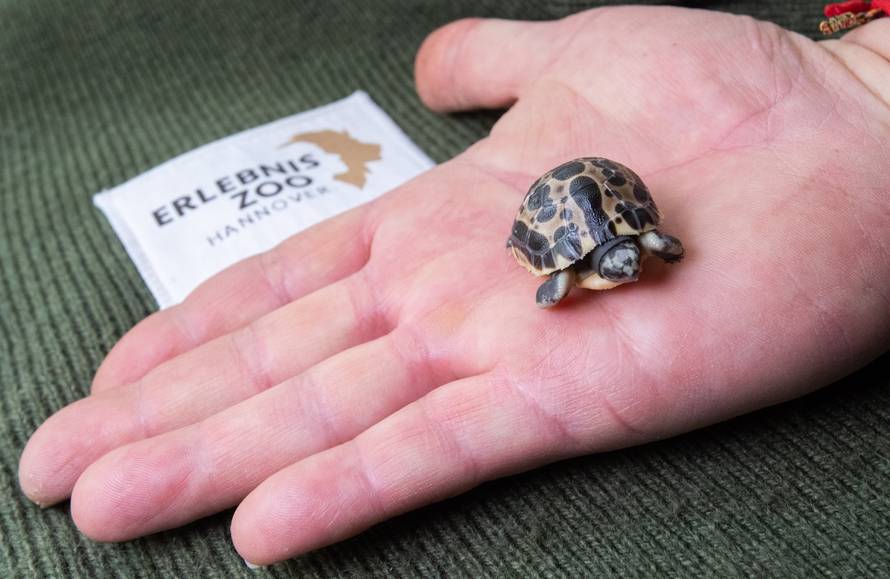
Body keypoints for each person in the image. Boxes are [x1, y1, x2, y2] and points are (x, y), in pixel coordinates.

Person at [17, 5, 890, 567]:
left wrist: (865, 94)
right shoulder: (575, 271)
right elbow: (568, 258)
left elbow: (647, 238)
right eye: (617, 263)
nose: (626, 269)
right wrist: (864, 66)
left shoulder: (643, 247)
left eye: (627, 261)